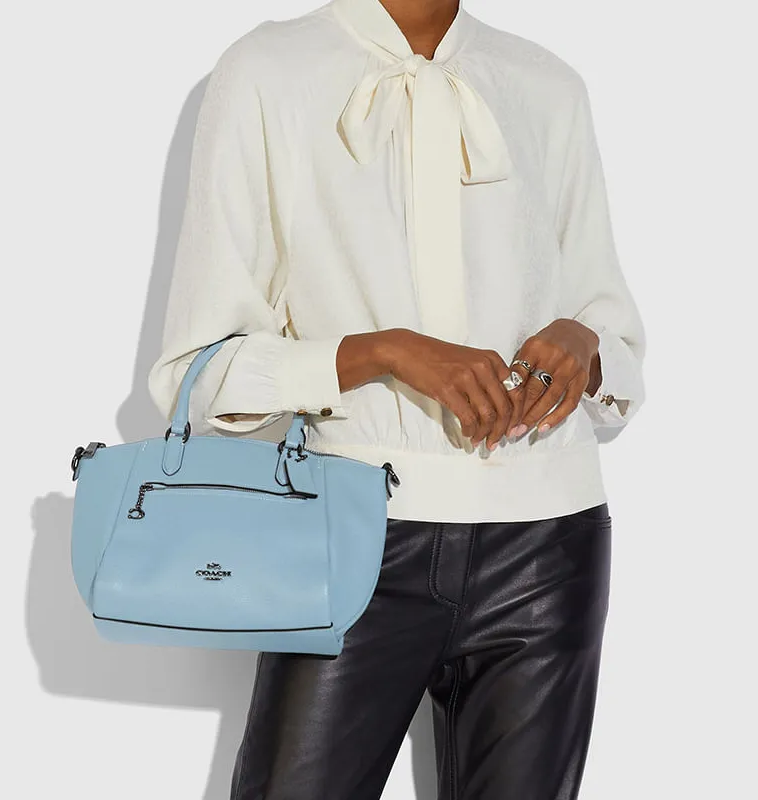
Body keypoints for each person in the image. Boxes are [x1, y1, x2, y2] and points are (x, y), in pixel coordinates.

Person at [148, 0, 647, 797]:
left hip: (548, 543)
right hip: (349, 536)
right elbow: (197, 375)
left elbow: (616, 346)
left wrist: (582, 344)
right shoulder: (269, 71)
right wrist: (383, 351)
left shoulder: (546, 84)